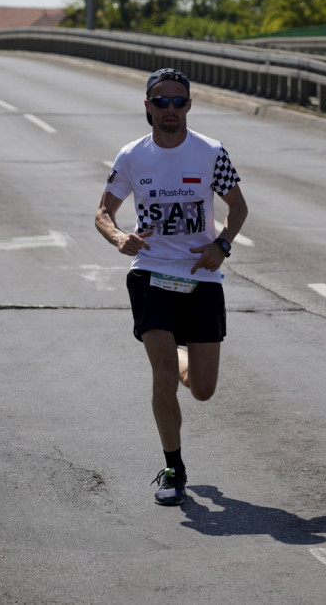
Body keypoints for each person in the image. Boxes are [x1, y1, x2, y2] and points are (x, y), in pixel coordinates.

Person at [95, 68, 248, 506]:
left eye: (178, 102)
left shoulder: (210, 152)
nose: (170, 110)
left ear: (189, 106)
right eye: (161, 102)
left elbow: (238, 207)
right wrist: (119, 238)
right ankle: (173, 468)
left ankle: (180, 352)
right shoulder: (131, 156)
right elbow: (103, 212)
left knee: (202, 390)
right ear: (147, 107)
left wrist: (221, 244)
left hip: (202, 275)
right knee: (162, 377)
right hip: (151, 274)